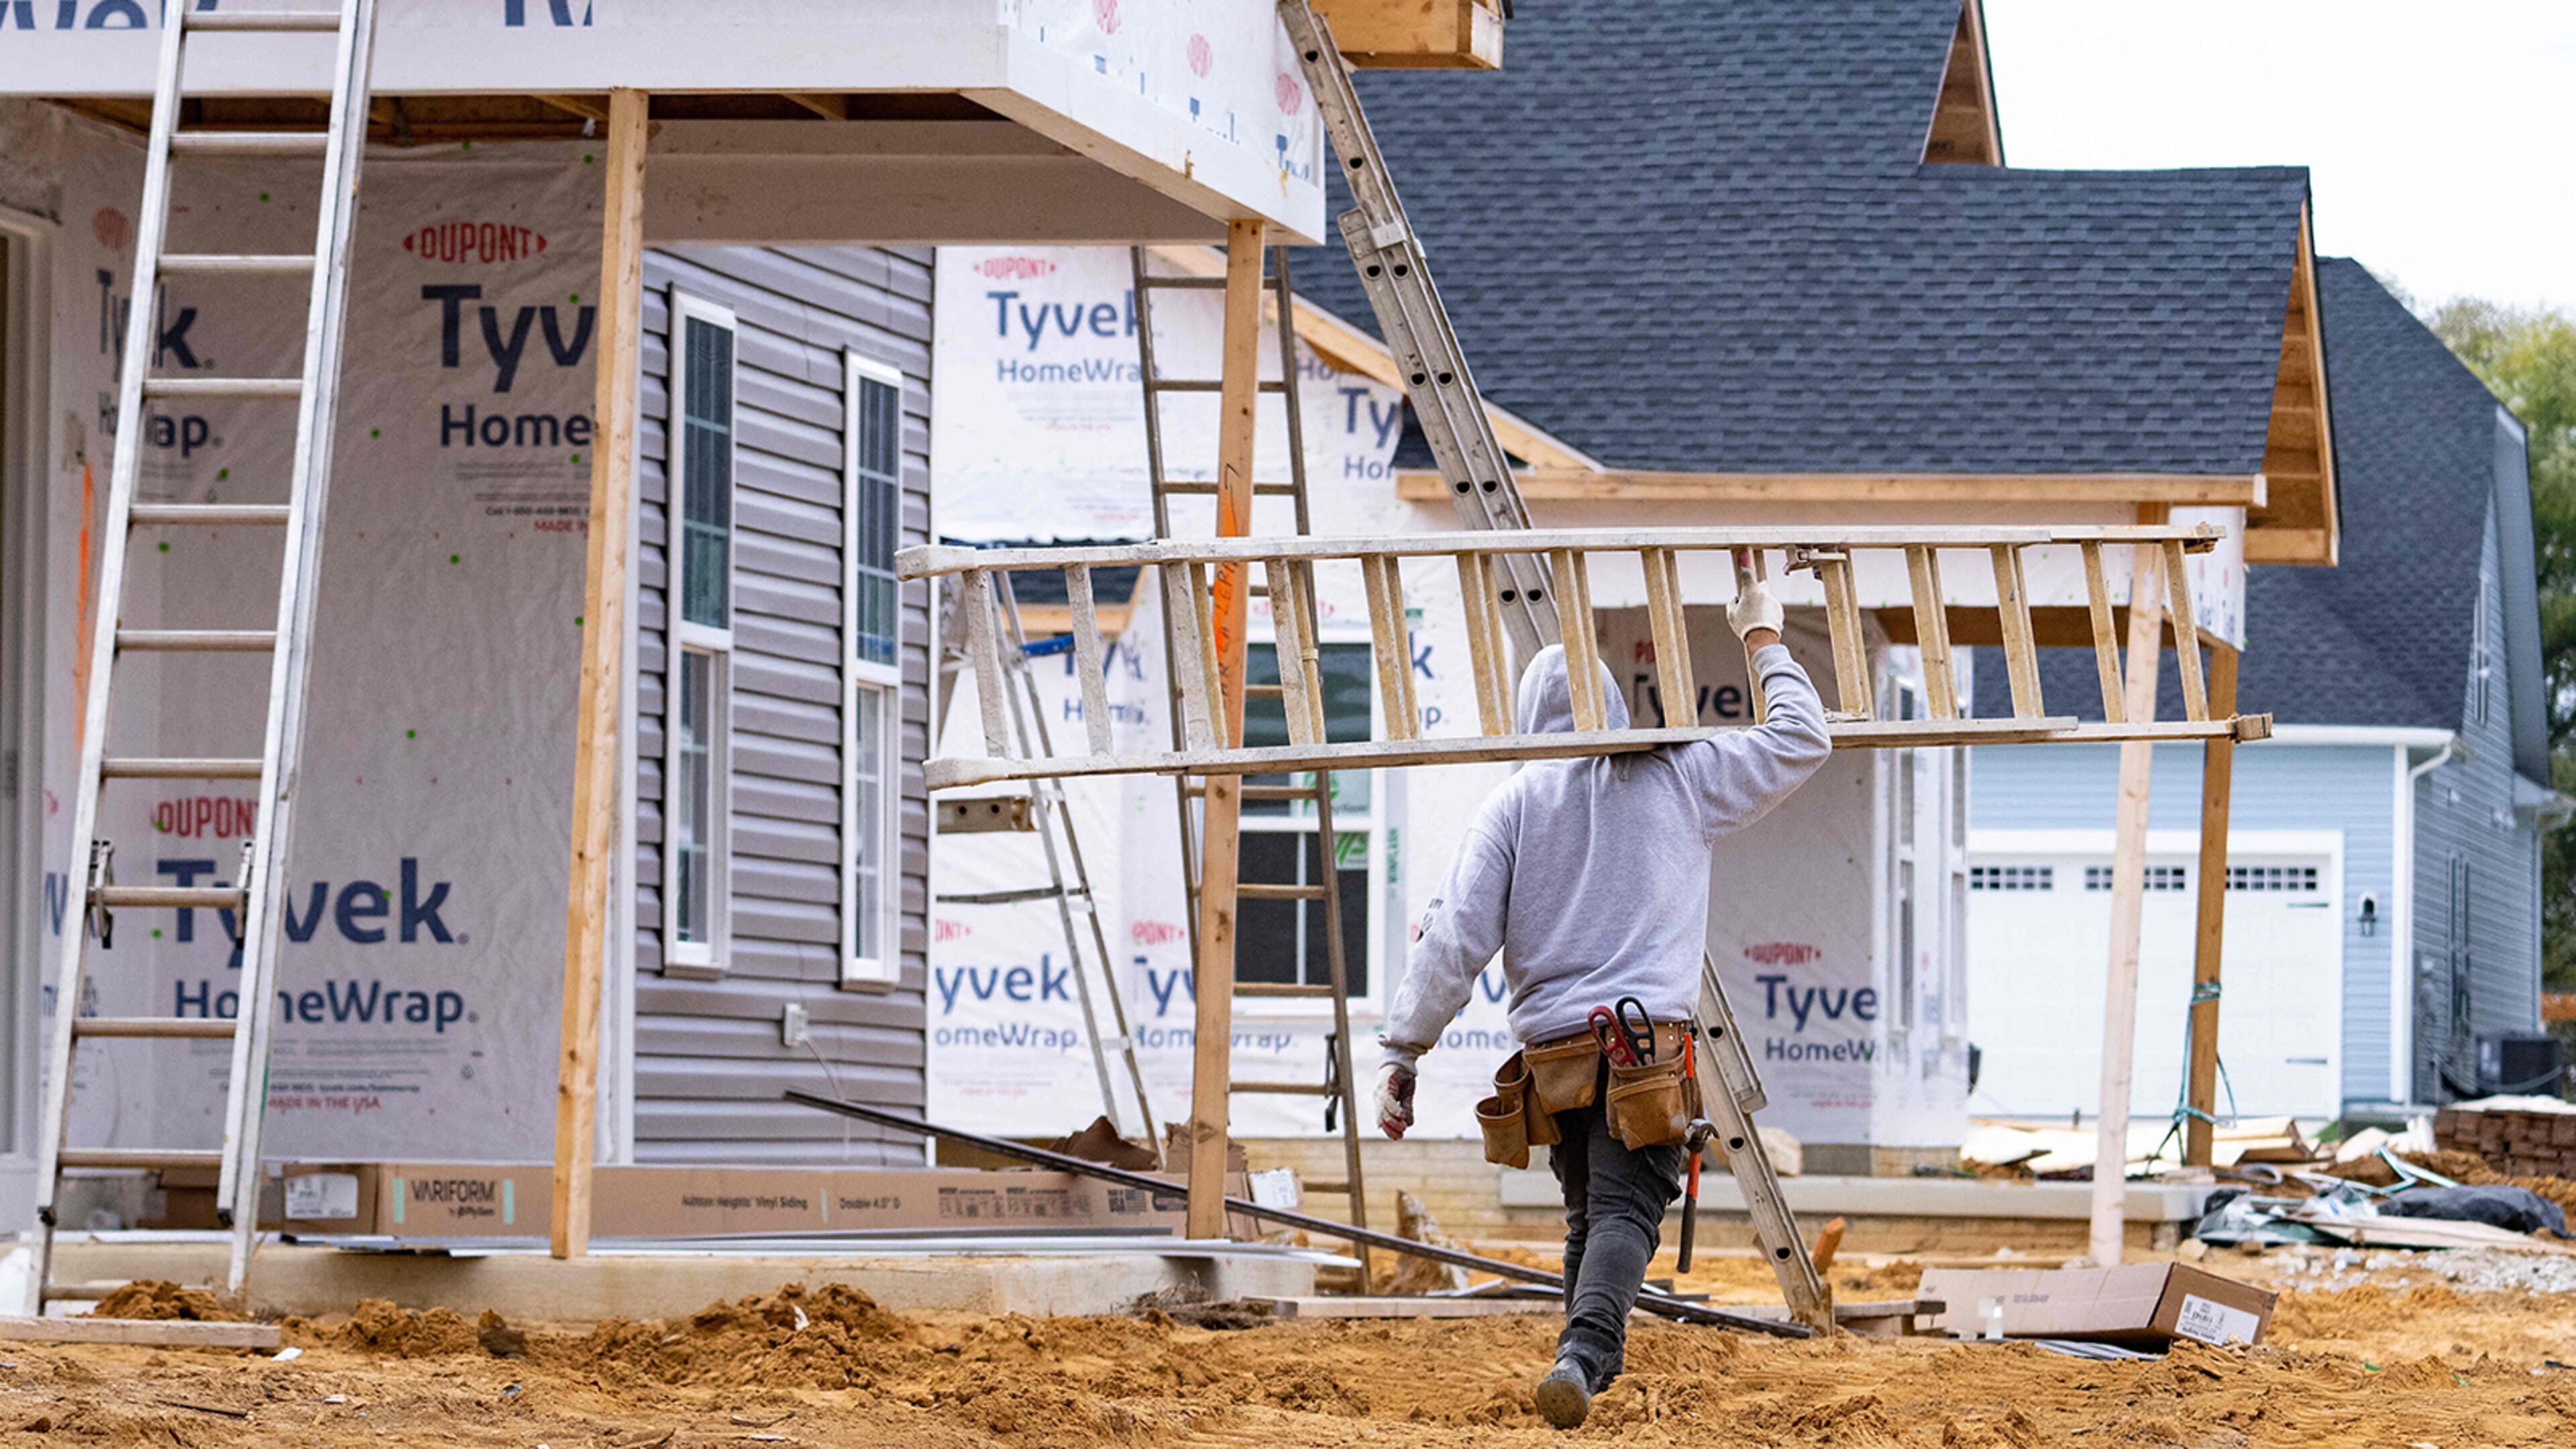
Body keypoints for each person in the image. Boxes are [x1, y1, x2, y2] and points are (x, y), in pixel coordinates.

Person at [1371, 576, 1830, 1430]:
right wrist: (1760, 633)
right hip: (1641, 1050)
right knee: (1625, 1210)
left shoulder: (1511, 805)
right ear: (1617, 709)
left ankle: (1579, 1363)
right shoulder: (1677, 778)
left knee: (1589, 1211)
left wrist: (1404, 1051)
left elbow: (1453, 938)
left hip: (1554, 1060)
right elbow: (1803, 739)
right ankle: (1584, 1355)